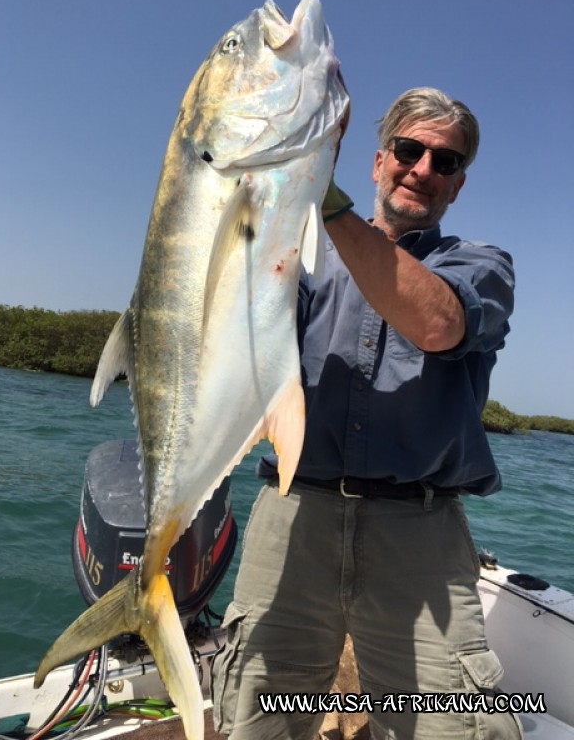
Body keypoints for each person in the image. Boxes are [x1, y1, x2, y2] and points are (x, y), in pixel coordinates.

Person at [211, 87, 520, 739]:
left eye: (446, 161)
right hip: (295, 511)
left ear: (458, 186)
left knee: (450, 723)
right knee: (259, 708)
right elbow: (233, 353)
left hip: (421, 530)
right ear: (379, 161)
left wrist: (318, 197)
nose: (424, 170)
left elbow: (437, 324)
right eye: (410, 151)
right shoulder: (300, 264)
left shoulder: (483, 266)